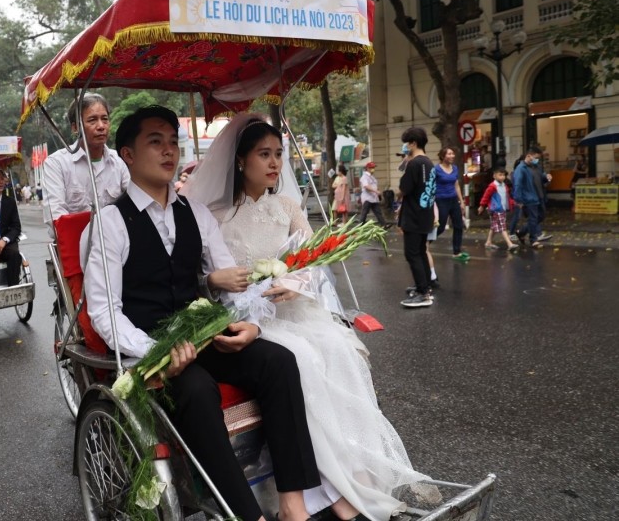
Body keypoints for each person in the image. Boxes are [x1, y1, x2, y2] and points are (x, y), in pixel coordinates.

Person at [183, 113, 428, 521]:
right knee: (305, 360)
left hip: (296, 308)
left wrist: (295, 284)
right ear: (241, 161)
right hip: (251, 315)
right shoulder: (216, 215)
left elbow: (314, 265)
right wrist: (242, 289)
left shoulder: (289, 208)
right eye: (264, 154)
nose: (275, 162)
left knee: (341, 348)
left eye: (279, 154)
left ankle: (354, 477)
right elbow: (210, 283)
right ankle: (321, 491)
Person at [86, 105, 323, 521]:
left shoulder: (193, 213)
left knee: (279, 362)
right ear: (127, 154)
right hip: (155, 346)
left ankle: (292, 503)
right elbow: (105, 309)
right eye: (155, 142)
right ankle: (248, 515)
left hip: (201, 329)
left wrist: (247, 323)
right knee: (196, 390)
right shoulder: (110, 222)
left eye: (173, 142)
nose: (168, 152)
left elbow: (226, 276)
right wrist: (153, 351)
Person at [42, 93, 130, 236]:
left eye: (105, 119)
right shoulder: (56, 164)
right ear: (75, 127)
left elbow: (133, 202)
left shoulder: (118, 162)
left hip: (117, 243)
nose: (101, 126)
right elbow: (57, 219)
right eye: (92, 120)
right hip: (75, 246)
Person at [397, 127, 436, 308]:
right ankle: (425, 287)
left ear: (413, 143)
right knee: (420, 252)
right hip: (425, 215)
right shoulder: (429, 163)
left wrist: (407, 163)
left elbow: (404, 188)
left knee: (412, 254)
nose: (405, 146)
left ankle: (422, 293)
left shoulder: (414, 164)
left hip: (413, 216)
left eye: (407, 143)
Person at [434, 147, 469, 261]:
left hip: (453, 200)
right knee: (441, 227)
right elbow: (431, 186)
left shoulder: (454, 168)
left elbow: (456, 185)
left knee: (458, 226)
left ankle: (456, 251)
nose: (452, 156)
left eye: (453, 154)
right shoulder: (436, 169)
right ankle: (424, 242)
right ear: (443, 156)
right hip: (441, 200)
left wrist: (461, 202)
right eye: (449, 154)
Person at [511, 147, 548, 248]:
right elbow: (517, 185)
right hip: (529, 198)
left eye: (538, 158)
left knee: (541, 216)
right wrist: (518, 199)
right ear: (528, 156)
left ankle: (521, 232)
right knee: (533, 218)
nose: (537, 160)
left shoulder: (536, 167)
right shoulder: (521, 169)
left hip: (539, 196)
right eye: (535, 158)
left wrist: (546, 178)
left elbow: (540, 178)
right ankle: (533, 239)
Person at [477, 168, 519, 252]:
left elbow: (507, 197)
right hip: (495, 209)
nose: (502, 177)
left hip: (502, 208)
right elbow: (486, 196)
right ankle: (509, 244)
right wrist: (482, 206)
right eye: (500, 175)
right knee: (503, 227)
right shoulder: (492, 186)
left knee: (494, 226)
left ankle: (488, 242)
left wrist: (513, 203)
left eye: (504, 175)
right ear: (494, 176)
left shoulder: (504, 186)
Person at [356, 162, 388, 227]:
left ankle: (384, 225)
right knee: (364, 213)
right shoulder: (364, 177)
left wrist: (378, 191)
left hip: (374, 198)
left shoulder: (372, 177)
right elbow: (366, 186)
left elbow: (374, 185)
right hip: (367, 198)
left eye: (374, 167)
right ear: (368, 168)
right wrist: (375, 191)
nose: (373, 169)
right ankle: (360, 227)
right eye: (372, 168)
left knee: (378, 212)